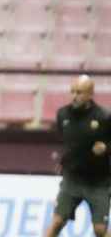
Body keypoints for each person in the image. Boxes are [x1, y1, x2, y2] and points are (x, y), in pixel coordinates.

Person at [44, 75, 111, 237]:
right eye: (72, 91)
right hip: (72, 180)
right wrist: (65, 161)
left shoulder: (104, 116)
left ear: (90, 94)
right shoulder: (63, 115)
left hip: (98, 183)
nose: (74, 96)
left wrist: (106, 147)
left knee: (100, 230)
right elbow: (69, 143)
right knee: (56, 223)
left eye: (79, 92)